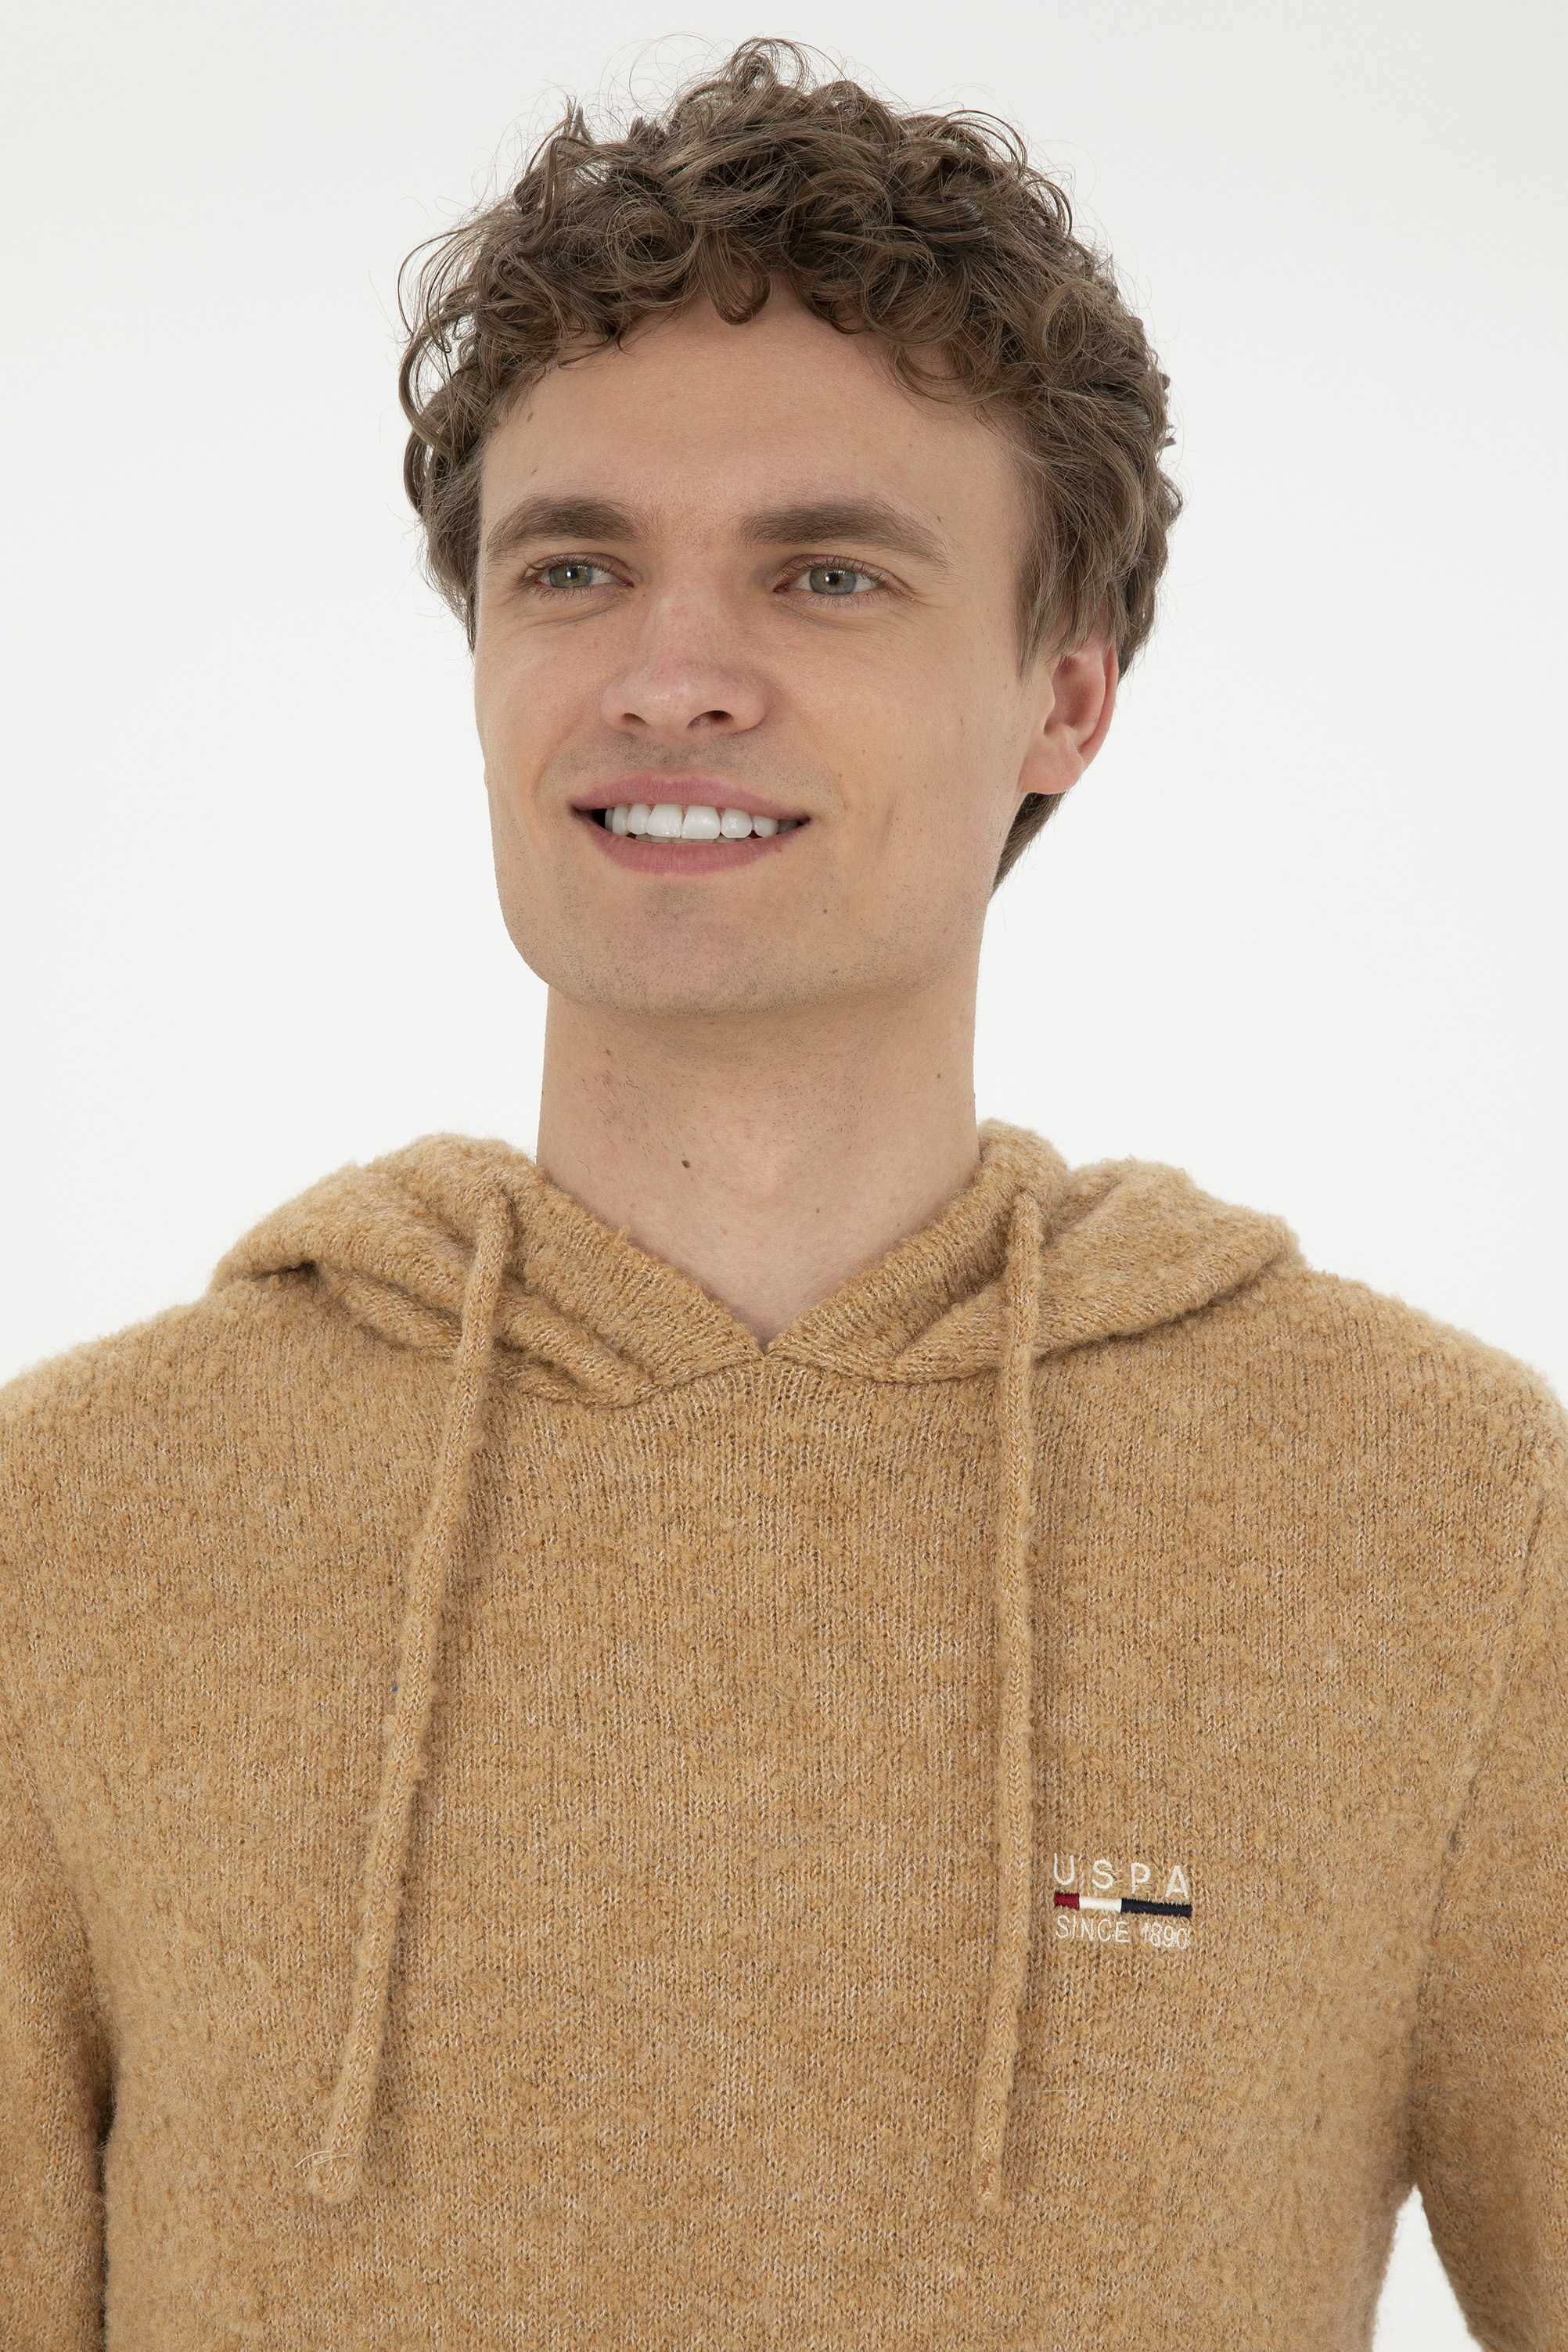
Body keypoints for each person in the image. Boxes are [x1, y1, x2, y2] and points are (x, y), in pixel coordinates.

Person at [2, 38, 1563, 2349]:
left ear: (1064, 701)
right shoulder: (78, 1525)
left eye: (826, 574)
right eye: (575, 567)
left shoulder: (1444, 1522)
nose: (673, 677)